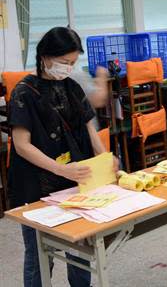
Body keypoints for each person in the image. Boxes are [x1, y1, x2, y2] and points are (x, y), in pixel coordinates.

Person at [8, 27, 118, 287]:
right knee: (38, 254)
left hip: (72, 182)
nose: (69, 68)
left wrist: (105, 159)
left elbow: (90, 128)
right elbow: (22, 145)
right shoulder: (24, 92)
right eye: (64, 62)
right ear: (45, 57)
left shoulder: (71, 86)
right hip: (36, 183)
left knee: (78, 246)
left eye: (73, 62)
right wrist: (61, 170)